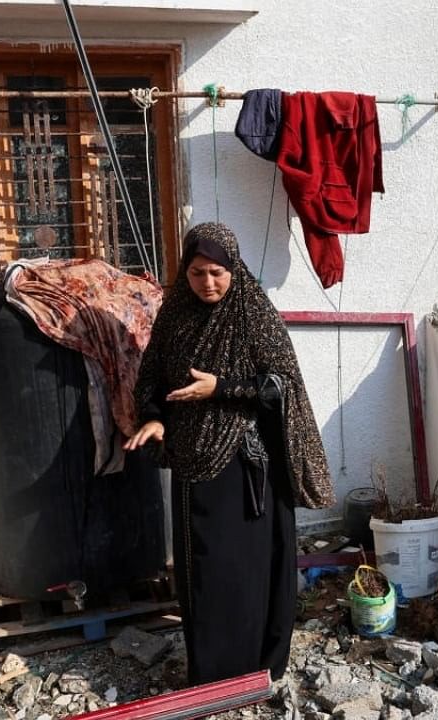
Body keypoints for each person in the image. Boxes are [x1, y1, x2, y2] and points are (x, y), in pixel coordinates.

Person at [127, 223, 335, 686]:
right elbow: (151, 377)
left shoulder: (253, 314)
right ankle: (212, 675)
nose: (208, 283)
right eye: (197, 272)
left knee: (242, 570)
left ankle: (253, 669)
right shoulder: (174, 314)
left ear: (233, 269)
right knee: (201, 572)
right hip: (189, 462)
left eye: (217, 272)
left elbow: (281, 386)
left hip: (245, 467)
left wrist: (220, 388)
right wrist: (154, 416)